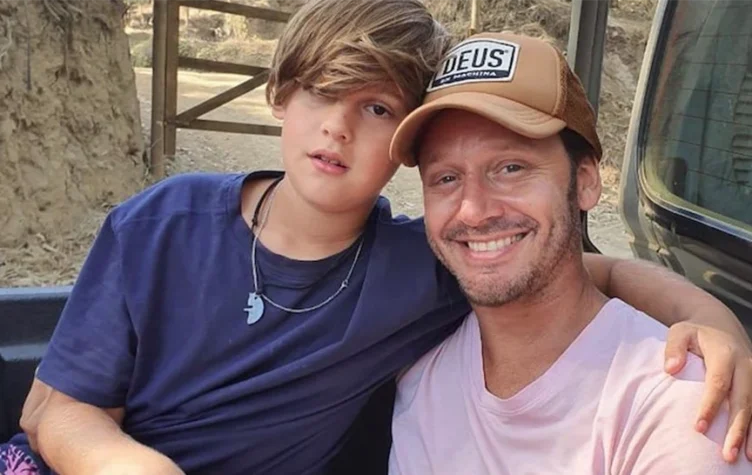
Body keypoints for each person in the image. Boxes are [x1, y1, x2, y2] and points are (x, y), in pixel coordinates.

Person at [2, 3, 752, 474]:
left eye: (376, 108)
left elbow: (590, 270)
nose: (337, 126)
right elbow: (52, 410)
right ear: (280, 95)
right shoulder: (162, 224)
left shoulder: (422, 264)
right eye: (322, 91)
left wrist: (714, 321)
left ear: (401, 147)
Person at [387, 31, 752, 474]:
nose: (474, 211)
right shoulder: (417, 370)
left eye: (511, 168)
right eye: (446, 178)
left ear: (586, 182)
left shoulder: (677, 405)